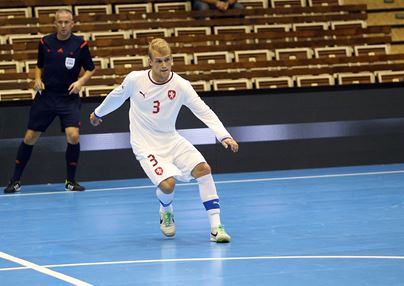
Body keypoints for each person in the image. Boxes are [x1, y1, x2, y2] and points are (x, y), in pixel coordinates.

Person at [89, 38, 239, 243]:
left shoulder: (181, 85)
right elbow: (116, 97)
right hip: (145, 144)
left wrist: (224, 135)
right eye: (159, 61)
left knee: (204, 169)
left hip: (171, 139)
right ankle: (166, 209)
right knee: (168, 185)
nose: (164, 65)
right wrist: (98, 113)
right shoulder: (135, 80)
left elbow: (203, 111)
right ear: (149, 62)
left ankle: (216, 228)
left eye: (167, 60)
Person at [3, 9, 95, 194]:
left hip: (69, 98)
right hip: (46, 97)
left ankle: (71, 181)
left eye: (66, 22)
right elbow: (39, 66)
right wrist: (37, 79)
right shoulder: (45, 42)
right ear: (54, 23)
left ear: (72, 24)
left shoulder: (80, 44)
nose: (63, 25)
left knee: (73, 136)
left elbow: (90, 69)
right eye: (60, 22)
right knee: (30, 138)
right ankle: (15, 180)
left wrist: (80, 82)